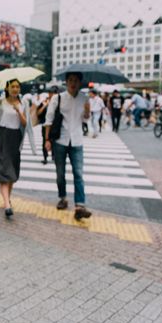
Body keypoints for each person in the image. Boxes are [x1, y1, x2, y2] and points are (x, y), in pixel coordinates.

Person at [44, 72, 92, 221]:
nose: (73, 83)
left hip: (77, 141)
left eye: (76, 80)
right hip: (60, 141)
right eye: (70, 80)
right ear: (66, 82)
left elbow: (85, 119)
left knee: (78, 174)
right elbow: (49, 119)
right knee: (60, 173)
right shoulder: (58, 98)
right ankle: (63, 198)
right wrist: (47, 139)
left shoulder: (85, 99)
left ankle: (80, 205)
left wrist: (88, 111)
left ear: (80, 82)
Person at [0, 79, 37, 218]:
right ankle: (7, 204)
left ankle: (7, 200)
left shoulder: (23, 104)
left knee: (12, 174)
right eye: (13, 86)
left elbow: (26, 123)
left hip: (16, 138)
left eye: (17, 86)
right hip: (2, 137)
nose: (15, 89)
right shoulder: (0, 102)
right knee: (4, 173)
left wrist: (18, 111)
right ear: (7, 88)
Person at [36, 87, 58, 164]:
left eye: (53, 93)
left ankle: (54, 155)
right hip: (45, 125)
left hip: (55, 126)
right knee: (45, 141)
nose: (51, 95)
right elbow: (38, 113)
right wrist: (45, 105)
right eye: (50, 93)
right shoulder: (45, 101)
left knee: (54, 141)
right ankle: (45, 157)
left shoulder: (58, 102)